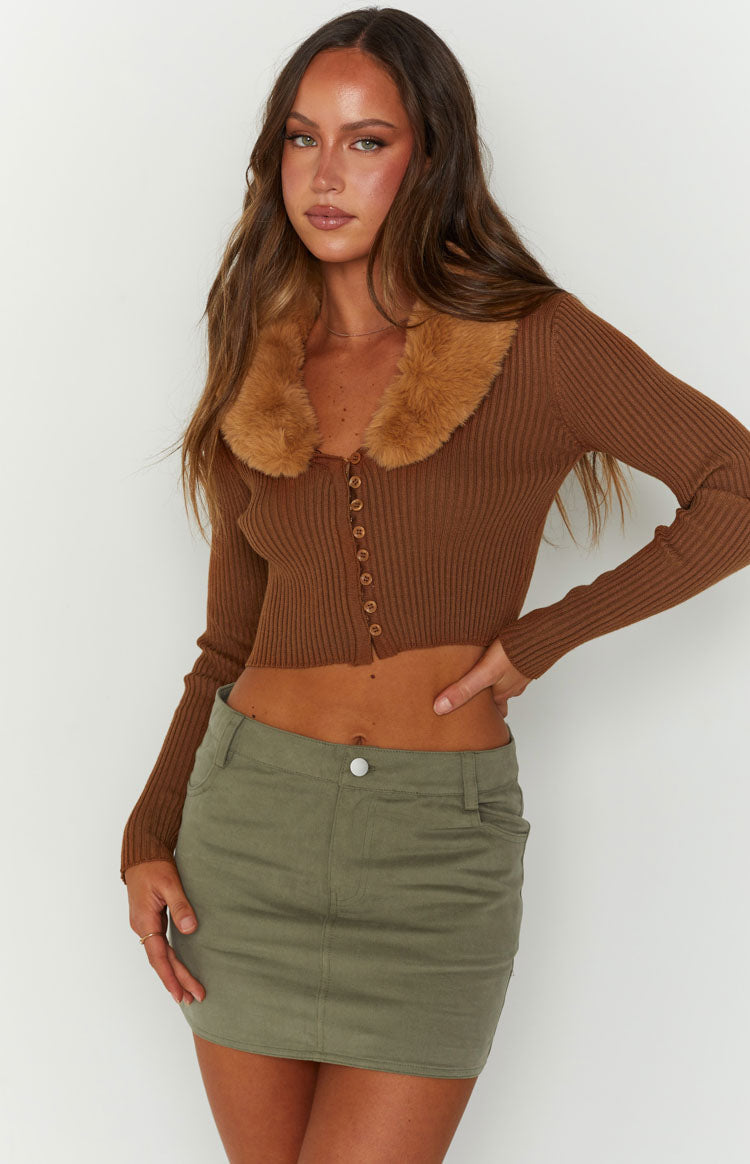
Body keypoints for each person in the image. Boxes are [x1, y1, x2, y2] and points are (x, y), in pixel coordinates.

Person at [120, 8, 750, 1162]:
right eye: (303, 138)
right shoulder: (256, 357)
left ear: (428, 157)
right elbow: (226, 647)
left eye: (367, 141)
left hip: (432, 858)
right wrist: (149, 832)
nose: (326, 174)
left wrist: (542, 639)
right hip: (247, 840)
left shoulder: (533, 341)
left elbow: (736, 485)